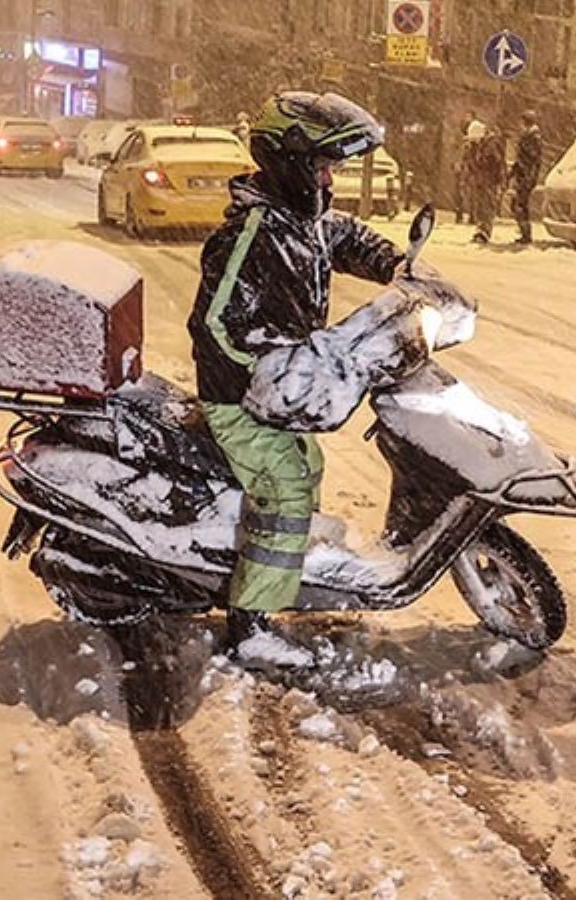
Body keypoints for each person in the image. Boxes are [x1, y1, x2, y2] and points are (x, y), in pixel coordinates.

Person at [186, 91, 404, 657]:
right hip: (241, 398)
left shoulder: (302, 221)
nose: (330, 180)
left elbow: (346, 237)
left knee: (308, 463)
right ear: (291, 162)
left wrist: (400, 268)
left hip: (279, 394)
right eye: (323, 167)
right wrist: (263, 368)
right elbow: (215, 322)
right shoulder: (252, 233)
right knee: (283, 486)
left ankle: (281, 568)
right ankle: (250, 624)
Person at [466, 121, 506, 244]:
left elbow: (492, 163)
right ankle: (480, 229)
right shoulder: (479, 146)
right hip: (481, 180)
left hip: (489, 181)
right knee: (480, 206)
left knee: (487, 206)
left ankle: (485, 231)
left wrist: (477, 156)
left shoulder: (491, 145)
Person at [508, 110, 543, 246]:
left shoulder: (532, 138)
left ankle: (526, 234)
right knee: (518, 204)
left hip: (526, 177)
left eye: (521, 121)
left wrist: (527, 175)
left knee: (519, 205)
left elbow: (532, 159)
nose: (519, 124)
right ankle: (524, 232)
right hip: (524, 175)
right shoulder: (529, 136)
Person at [453, 113, 483, 224]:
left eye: (469, 117)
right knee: (462, 192)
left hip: (471, 168)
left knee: (471, 192)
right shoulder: (463, 139)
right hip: (465, 168)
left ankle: (471, 215)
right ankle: (460, 214)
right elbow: (459, 152)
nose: (467, 119)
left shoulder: (474, 138)